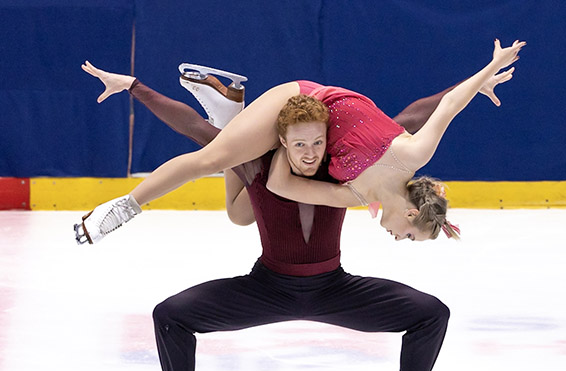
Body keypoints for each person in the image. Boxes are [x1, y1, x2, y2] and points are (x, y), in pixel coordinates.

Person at [81, 60, 516, 371]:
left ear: (330, 140)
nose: (310, 154)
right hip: (267, 286)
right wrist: (135, 88)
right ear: (282, 140)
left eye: (318, 144)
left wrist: (476, 85)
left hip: (333, 287)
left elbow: (416, 118)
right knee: (174, 309)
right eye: (300, 144)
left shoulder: (351, 173)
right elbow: (196, 136)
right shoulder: (264, 159)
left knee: (431, 314)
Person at [75, 38, 524, 245]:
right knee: (211, 156)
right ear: (410, 212)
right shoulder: (413, 153)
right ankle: (123, 208)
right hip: (302, 100)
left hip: (303, 144)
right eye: (410, 236)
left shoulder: (355, 197)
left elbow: (283, 188)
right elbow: (446, 109)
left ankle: (229, 109)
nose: (399, 240)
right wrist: (484, 73)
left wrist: (278, 157)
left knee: (238, 214)